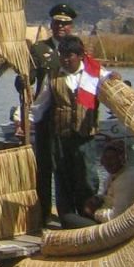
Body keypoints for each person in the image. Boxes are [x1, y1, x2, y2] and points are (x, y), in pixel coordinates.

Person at [30, 35, 110, 229]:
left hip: (85, 136)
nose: (65, 59)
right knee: (63, 177)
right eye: (62, 55)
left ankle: (88, 217)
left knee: (87, 177)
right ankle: (67, 219)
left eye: (70, 55)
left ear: (80, 55)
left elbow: (111, 81)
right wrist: (24, 123)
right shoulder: (54, 76)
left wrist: (115, 78)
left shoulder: (94, 73)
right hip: (61, 136)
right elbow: (40, 105)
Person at [27, 2, 78, 221]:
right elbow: (28, 78)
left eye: (65, 24)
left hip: (69, 117)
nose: (60, 27)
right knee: (44, 167)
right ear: (51, 24)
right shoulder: (40, 49)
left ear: (71, 27)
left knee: (66, 166)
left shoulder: (76, 49)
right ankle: (44, 212)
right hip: (46, 117)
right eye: (57, 23)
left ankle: (67, 213)